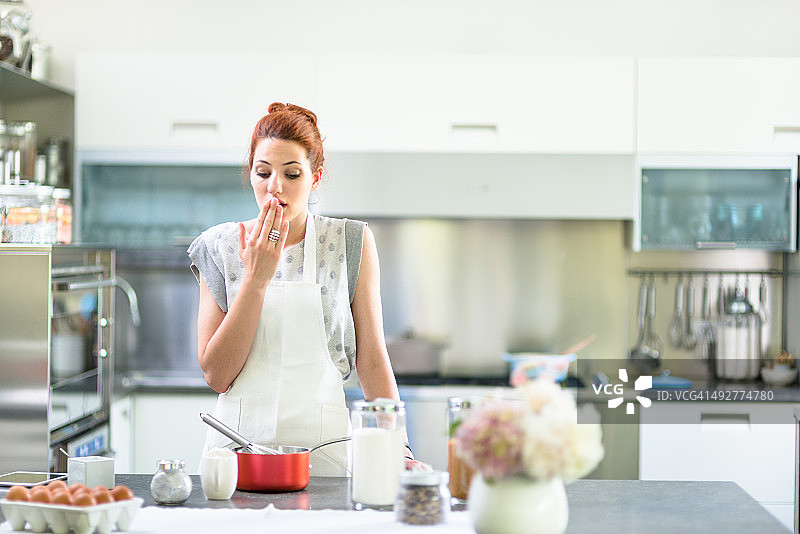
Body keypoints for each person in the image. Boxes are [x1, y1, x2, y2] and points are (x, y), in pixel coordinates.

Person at [188, 102, 412, 476]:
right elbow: (217, 375)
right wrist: (255, 279)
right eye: (263, 173)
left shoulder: (349, 241)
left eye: (292, 174)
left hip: (326, 452)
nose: (275, 187)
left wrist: (398, 446)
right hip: (238, 452)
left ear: (315, 177)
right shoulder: (219, 246)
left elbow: (371, 357)